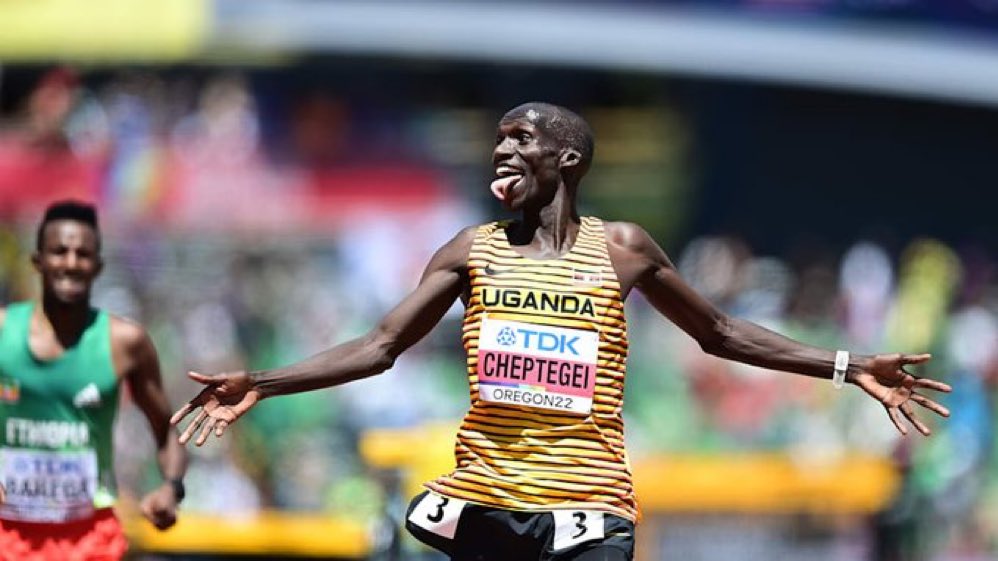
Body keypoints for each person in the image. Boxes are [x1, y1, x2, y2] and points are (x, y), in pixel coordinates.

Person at [171, 103, 952, 561]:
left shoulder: (622, 251)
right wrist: (261, 383)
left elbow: (719, 333)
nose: (503, 148)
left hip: (588, 512)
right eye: (499, 137)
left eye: (523, 138)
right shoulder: (470, 251)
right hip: (484, 505)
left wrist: (850, 365)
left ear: (567, 157)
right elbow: (380, 346)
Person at [0, 200, 188, 561]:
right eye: (59, 252)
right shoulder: (4, 331)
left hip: (91, 541)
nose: (70, 263)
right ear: (37, 260)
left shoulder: (125, 342)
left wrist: (171, 488)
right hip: (6, 538)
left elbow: (167, 431)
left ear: (98, 266)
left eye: (82, 254)